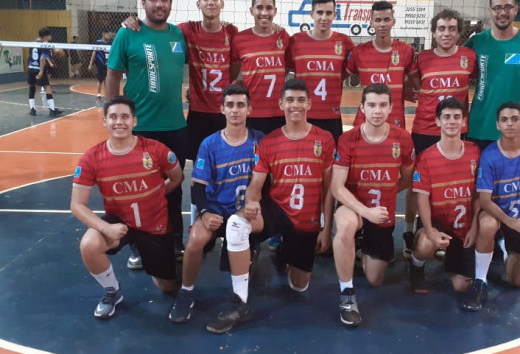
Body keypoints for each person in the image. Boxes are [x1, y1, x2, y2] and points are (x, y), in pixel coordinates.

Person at [206, 79, 335, 334]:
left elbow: (328, 188)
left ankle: (286, 251)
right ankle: (240, 301)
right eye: (290, 100)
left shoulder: (325, 139)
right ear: (281, 104)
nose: (295, 105)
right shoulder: (269, 141)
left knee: (299, 286)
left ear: (309, 104)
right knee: (236, 224)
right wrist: (251, 204)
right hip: (277, 210)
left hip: (307, 218)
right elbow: (256, 183)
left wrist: (326, 227)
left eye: (300, 100)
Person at [72, 97, 183, 319]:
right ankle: (112, 291)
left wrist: (156, 194)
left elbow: (176, 177)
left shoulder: (155, 149)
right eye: (113, 117)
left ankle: (152, 257)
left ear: (134, 121)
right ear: (104, 121)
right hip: (119, 223)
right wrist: (105, 227)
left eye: (125, 117)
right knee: (89, 245)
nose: (119, 122)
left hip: (154, 224)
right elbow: (77, 205)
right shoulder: (92, 158)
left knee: (168, 288)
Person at [105, 0, 188, 268]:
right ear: (143, 3)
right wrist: (113, 115)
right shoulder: (128, 34)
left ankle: (175, 241)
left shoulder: (178, 35)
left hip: (175, 127)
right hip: (140, 129)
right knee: (138, 192)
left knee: (174, 189)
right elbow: (113, 74)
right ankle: (139, 246)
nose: (159, 4)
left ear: (170, 3)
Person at [168, 84, 264, 323]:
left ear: (249, 109)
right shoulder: (209, 144)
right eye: (230, 105)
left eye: (240, 105)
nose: (235, 110)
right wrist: (205, 212)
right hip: (217, 210)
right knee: (195, 241)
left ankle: (243, 287)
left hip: (243, 212)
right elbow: (197, 187)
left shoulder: (259, 141)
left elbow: (268, 181)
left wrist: (255, 204)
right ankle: (186, 292)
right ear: (222, 109)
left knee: (247, 230)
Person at [122, 0, 240, 164]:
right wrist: (133, 21)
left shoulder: (231, 32)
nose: (211, 2)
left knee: (226, 161)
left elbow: (234, 67)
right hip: (198, 112)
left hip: (223, 110)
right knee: (199, 163)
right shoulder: (186, 30)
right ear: (198, 3)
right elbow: (161, 31)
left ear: (222, 3)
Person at [331, 83, 414, 327]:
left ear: (391, 108)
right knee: (345, 224)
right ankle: (347, 294)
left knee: (375, 279)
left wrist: (388, 192)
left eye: (382, 105)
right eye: (372, 105)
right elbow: (337, 187)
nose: (377, 111)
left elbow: (407, 177)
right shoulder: (348, 139)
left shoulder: (403, 139)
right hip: (355, 207)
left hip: (382, 213)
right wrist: (365, 211)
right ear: (362, 108)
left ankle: (360, 247)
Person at [404, 9, 476, 258]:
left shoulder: (469, 56)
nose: (447, 33)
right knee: (416, 185)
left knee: (452, 184)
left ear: (459, 33)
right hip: (424, 130)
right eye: (442, 29)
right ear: (434, 33)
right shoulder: (422, 58)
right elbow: (413, 86)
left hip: (456, 131)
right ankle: (410, 232)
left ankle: (446, 231)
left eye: (452, 29)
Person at [465, 102, 520, 311]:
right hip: (498, 215)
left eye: (514, 119)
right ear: (498, 125)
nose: (509, 124)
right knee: (488, 225)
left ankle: (503, 247)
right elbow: (485, 201)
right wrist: (510, 223)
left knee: (516, 281)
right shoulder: (490, 155)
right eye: (504, 120)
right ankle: (480, 281)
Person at [409, 97, 480, 303]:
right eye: (446, 117)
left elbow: (478, 194)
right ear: (438, 121)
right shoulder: (426, 157)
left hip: (464, 227)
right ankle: (416, 266)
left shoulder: (474, 151)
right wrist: (430, 230)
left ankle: (453, 259)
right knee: (425, 243)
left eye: (457, 117)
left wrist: (475, 226)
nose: (452, 121)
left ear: (463, 121)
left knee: (462, 287)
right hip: (438, 222)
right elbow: (422, 198)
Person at [465, 0, 520, 149]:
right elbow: (455, 68)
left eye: (507, 7)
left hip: (514, 129)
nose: (502, 12)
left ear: (515, 10)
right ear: (490, 11)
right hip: (480, 127)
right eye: (497, 8)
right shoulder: (476, 42)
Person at [286, 0, 354, 143]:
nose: (324, 18)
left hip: (331, 117)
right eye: (319, 12)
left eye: (328, 13)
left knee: (331, 157)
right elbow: (286, 69)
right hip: (303, 115)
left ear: (335, 15)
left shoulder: (344, 42)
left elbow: (348, 70)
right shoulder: (296, 41)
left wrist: (334, 77)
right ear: (312, 14)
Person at [346, 1, 418, 130]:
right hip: (365, 121)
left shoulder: (405, 50)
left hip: (395, 121)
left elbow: (417, 84)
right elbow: (338, 78)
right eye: (378, 20)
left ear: (393, 22)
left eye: (386, 20)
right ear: (371, 23)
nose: (382, 24)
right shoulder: (359, 52)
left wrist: (406, 87)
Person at [231, 0, 290, 136]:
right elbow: (232, 72)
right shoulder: (240, 39)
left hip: (279, 112)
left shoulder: (283, 36)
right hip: (252, 112)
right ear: (251, 10)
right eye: (259, 8)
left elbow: (288, 66)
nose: (264, 12)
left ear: (275, 11)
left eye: (269, 8)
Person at [27, 27, 64, 117]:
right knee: (47, 87)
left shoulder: (33, 43)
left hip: (31, 67)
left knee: (32, 87)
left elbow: (32, 56)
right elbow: (42, 58)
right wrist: (41, 71)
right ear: (45, 36)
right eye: (49, 35)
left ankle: (32, 109)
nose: (50, 37)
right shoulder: (45, 44)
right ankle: (52, 109)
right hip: (38, 68)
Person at [88, 29, 114, 104]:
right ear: (103, 34)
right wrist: (90, 64)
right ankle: (98, 95)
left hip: (108, 64)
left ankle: (107, 95)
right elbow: (94, 53)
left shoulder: (110, 43)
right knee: (100, 80)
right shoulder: (98, 42)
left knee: (107, 80)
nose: (109, 36)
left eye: (109, 34)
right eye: (108, 34)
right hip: (100, 64)